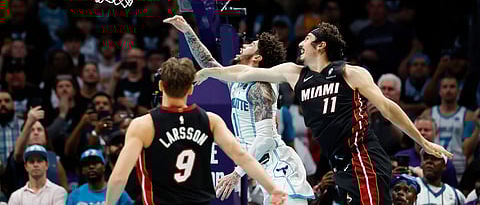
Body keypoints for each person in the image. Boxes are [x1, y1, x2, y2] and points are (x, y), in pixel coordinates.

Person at [196, 22, 452, 204]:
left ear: (321, 45)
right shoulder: (294, 73)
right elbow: (242, 73)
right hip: (339, 163)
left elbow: (387, 108)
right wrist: (209, 73)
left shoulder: (350, 73)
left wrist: (423, 141)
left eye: (307, 38)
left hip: (362, 158)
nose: (301, 42)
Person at [164, 15, 314, 204]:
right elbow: (209, 64)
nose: (245, 44)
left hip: (279, 167)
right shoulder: (236, 82)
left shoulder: (262, 86)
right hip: (262, 171)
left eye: (252, 44)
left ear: (258, 57)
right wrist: (187, 31)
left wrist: (237, 173)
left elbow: (266, 138)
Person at [105, 57, 287, 205]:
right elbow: (243, 157)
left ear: (161, 86)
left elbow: (120, 177)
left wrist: (108, 204)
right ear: (191, 88)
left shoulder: (143, 125)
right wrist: (273, 188)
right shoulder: (210, 120)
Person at [395, 115, 458, 187]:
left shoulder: (444, 162)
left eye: (426, 130)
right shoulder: (400, 157)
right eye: (419, 130)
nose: (422, 133)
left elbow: (451, 191)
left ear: (436, 132)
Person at [67, 148, 132, 205]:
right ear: (82, 170)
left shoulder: (118, 193)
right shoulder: (74, 196)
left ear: (104, 167)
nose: (91, 166)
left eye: (95, 163)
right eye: (86, 164)